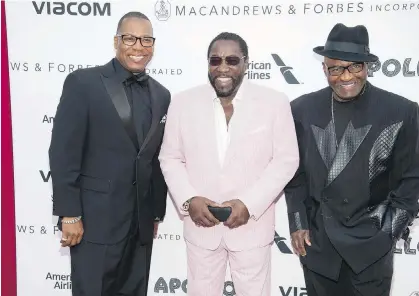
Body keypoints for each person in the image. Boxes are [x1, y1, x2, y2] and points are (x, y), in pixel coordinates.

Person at [158, 32, 299, 296]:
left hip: (251, 229)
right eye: (215, 60)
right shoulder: (182, 102)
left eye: (232, 60)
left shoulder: (274, 102)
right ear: (208, 64)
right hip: (201, 227)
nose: (223, 67)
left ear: (246, 63)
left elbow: (286, 160)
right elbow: (170, 157)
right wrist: (190, 200)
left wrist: (249, 203)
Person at [284, 23, 419, 296]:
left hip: (370, 249)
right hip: (319, 246)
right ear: (324, 69)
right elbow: (294, 174)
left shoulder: (402, 111)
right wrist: (298, 224)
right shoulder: (301, 110)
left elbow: (412, 181)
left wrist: (386, 234)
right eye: (336, 68)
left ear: (367, 67)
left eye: (355, 66)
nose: (346, 76)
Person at [49, 11, 170, 296]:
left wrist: (153, 214)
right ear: (116, 41)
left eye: (146, 40)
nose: (138, 46)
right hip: (95, 223)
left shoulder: (162, 94)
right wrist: (69, 214)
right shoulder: (84, 83)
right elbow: (63, 152)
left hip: (139, 227)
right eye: (129, 38)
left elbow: (154, 159)